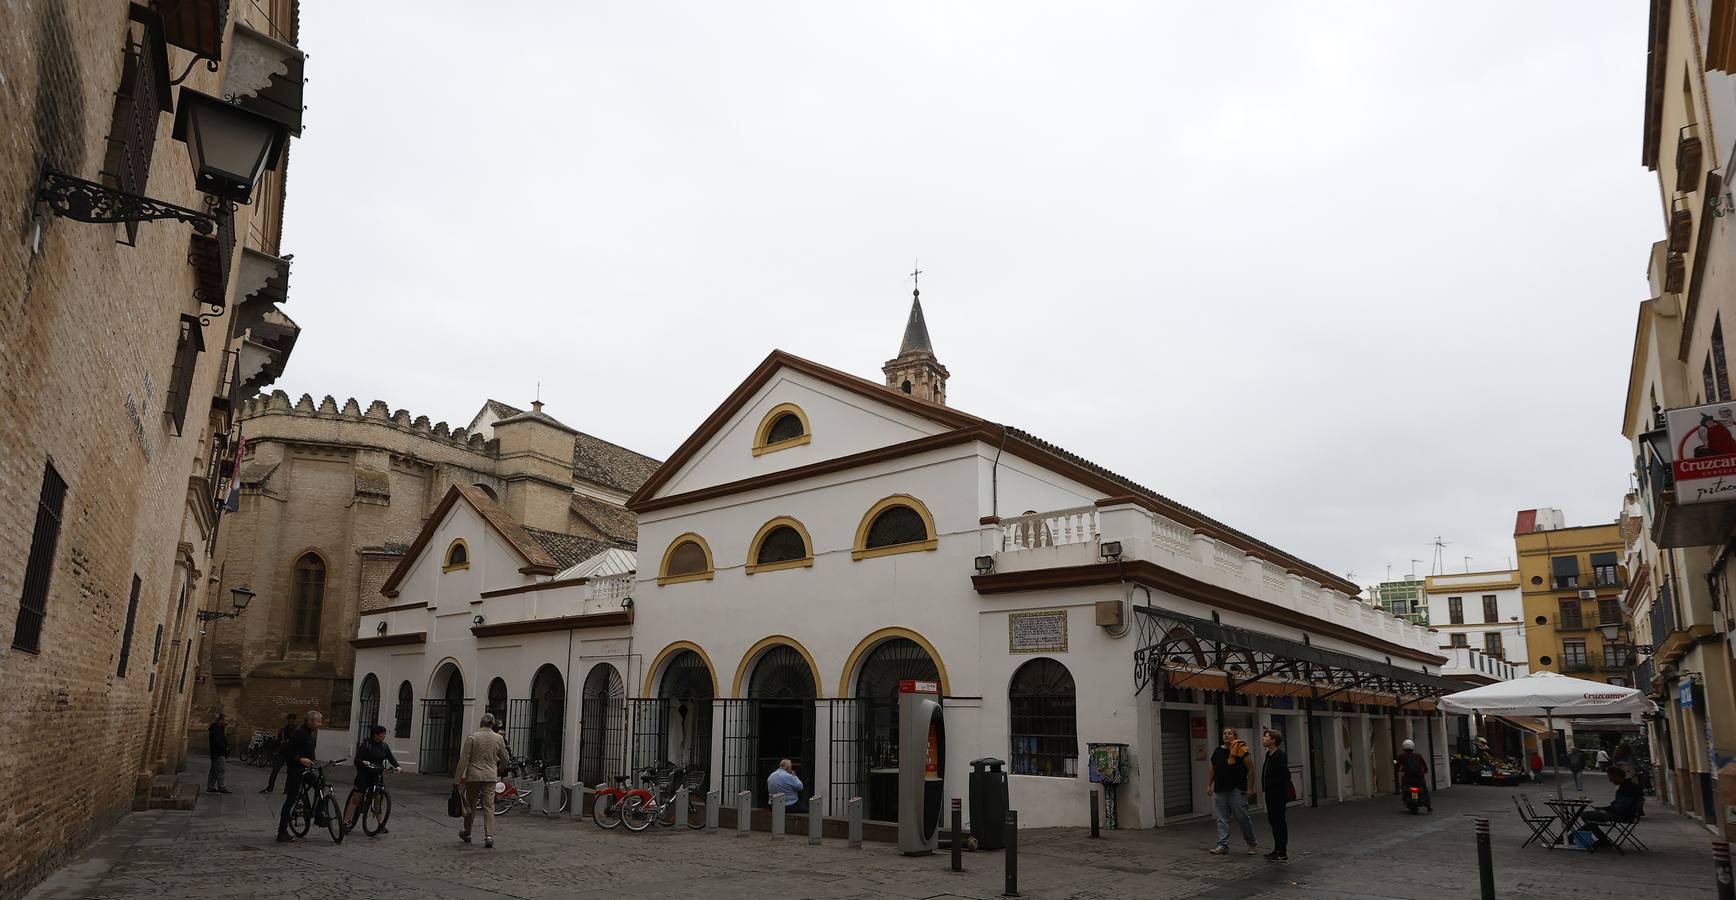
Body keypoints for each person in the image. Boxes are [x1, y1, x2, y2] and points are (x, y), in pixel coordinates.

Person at [456, 712, 511, 848]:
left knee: (471, 804)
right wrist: (499, 770)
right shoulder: (498, 738)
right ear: (492, 724)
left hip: (474, 775)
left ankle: (468, 832)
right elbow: (505, 758)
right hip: (490, 775)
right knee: (489, 806)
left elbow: (464, 760)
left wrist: (457, 779)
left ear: (481, 723)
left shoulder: (472, 737)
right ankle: (489, 835)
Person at [1206, 727, 1259, 855]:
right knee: (1222, 818)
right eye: (1224, 733)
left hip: (1237, 788)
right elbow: (1213, 768)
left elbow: (1251, 769)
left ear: (1235, 736)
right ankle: (1222, 845)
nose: (1226, 735)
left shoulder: (1241, 750)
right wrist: (1209, 785)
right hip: (1221, 788)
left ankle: (1252, 843)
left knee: (1242, 817)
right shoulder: (1218, 751)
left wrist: (1250, 788)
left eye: (1229, 733)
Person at [344, 725, 402, 834]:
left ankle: (381, 825)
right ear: (376, 735)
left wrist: (397, 766)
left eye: (384, 734)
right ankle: (345, 822)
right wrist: (363, 762)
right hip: (364, 774)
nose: (384, 736)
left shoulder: (384, 746)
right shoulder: (367, 745)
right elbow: (357, 760)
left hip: (377, 774)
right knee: (356, 798)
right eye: (382, 734)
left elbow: (390, 757)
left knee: (378, 799)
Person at [275, 710, 322, 843]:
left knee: (320, 785)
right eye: (318, 721)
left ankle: (319, 815)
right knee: (290, 800)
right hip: (295, 770)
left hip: (306, 769)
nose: (320, 724)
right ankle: (282, 832)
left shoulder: (310, 733)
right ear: (310, 721)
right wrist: (300, 759)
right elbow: (285, 750)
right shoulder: (299, 733)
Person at [1579, 766, 1643, 849]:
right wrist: (1605, 809)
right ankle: (1601, 840)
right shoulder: (1628, 786)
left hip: (1623, 815)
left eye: (1611, 777)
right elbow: (1620, 805)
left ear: (1617, 776)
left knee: (1585, 815)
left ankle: (1602, 840)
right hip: (1626, 814)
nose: (1610, 780)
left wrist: (1606, 810)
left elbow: (1621, 808)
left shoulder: (1627, 789)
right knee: (1589, 819)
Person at [1260, 731, 1292, 862]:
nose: (1263, 739)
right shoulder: (1269, 754)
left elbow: (1285, 775)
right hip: (1270, 793)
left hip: (1278, 794)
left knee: (1279, 822)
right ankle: (1277, 849)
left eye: (1266, 737)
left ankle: (1282, 852)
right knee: (1273, 821)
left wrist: (1271, 784)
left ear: (1273, 740)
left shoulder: (1279, 755)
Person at [261, 713, 297, 794]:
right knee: (275, 770)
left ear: (294, 720)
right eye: (289, 719)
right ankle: (270, 787)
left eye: (292, 719)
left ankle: (287, 789)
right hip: (282, 752)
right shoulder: (283, 730)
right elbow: (278, 739)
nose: (290, 720)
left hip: (291, 753)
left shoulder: (296, 730)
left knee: (290, 772)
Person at [1395, 739, 1431, 811]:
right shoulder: (1418, 756)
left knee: (1403, 786)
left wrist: (1397, 770)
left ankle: (1404, 797)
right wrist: (1425, 771)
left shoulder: (1401, 756)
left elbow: (1397, 766)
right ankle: (1428, 806)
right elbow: (1424, 765)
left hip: (1408, 778)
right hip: (1419, 777)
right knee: (1424, 789)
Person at [205, 713, 231, 794]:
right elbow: (217, 742)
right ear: (220, 721)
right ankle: (221, 786)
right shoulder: (217, 730)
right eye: (225, 720)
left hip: (216, 753)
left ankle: (211, 786)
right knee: (221, 770)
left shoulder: (218, 729)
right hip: (218, 753)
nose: (227, 722)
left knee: (214, 770)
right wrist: (225, 748)